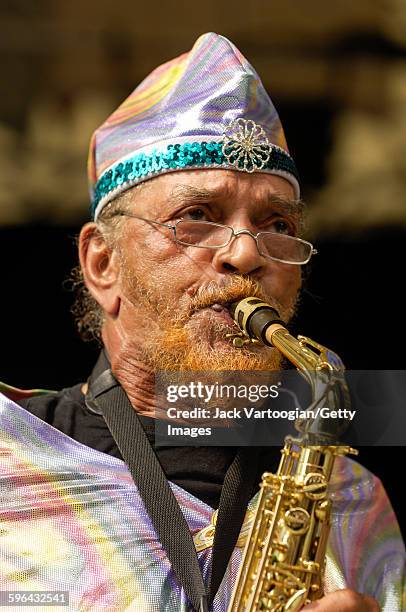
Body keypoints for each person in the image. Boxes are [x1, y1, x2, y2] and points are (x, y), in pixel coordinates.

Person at [0, 32, 404, 611]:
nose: (246, 254)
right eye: (196, 216)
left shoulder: (354, 500)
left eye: (278, 225)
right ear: (102, 263)